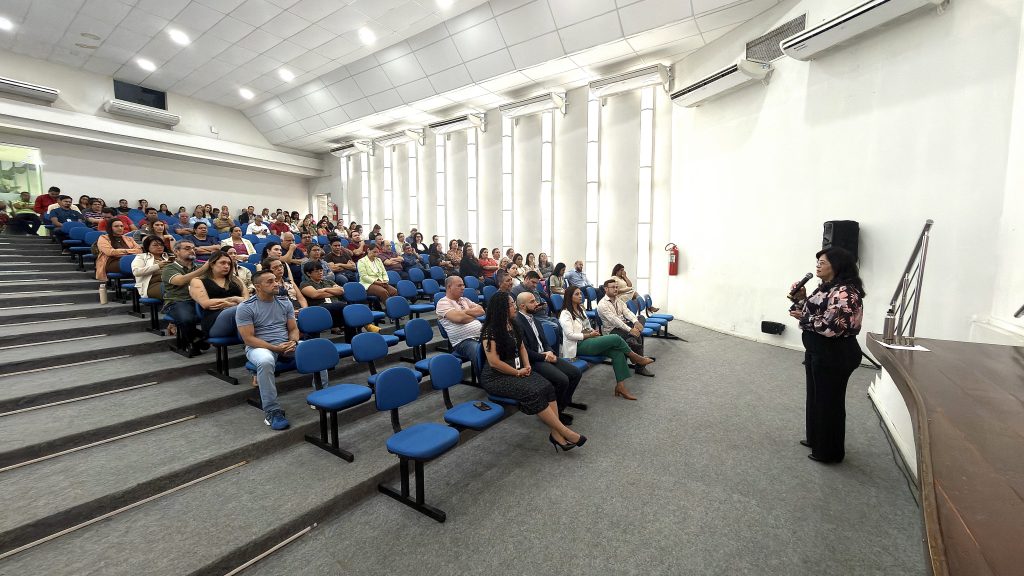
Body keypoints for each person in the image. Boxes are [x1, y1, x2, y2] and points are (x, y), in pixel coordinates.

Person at [479, 292, 586, 451]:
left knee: (547, 387)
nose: (514, 307)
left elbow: (522, 347)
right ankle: (563, 432)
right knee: (534, 392)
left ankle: (555, 434)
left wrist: (527, 365)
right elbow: (494, 362)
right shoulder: (490, 331)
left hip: (518, 368)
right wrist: (517, 372)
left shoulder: (512, 324)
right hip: (497, 376)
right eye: (511, 304)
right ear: (501, 308)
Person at [789, 246, 865, 465]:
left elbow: (832, 327)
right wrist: (801, 299)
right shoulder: (826, 288)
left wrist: (804, 317)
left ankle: (829, 452)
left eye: (822, 263)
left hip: (836, 354)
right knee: (816, 397)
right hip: (818, 350)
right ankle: (816, 439)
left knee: (829, 402)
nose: (818, 266)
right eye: (818, 262)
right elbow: (812, 313)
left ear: (837, 266)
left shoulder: (845, 292)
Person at [237, 269, 308, 430]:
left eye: (275, 280)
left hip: (285, 343)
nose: (276, 284)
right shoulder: (246, 307)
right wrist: (275, 348)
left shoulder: (285, 302)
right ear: (258, 287)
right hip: (260, 346)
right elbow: (248, 339)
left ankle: (322, 394)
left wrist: (293, 342)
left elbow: (293, 329)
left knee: (314, 349)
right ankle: (272, 411)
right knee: (266, 360)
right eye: (270, 281)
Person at [560, 286, 654, 400]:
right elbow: (569, 335)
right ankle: (635, 357)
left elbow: (587, 327)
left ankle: (620, 386)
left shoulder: (580, 310)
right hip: (577, 345)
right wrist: (588, 335)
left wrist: (592, 332)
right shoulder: (565, 313)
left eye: (580, 293)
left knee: (617, 353)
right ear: (569, 297)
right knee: (615, 338)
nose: (580, 296)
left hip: (589, 340)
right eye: (577, 294)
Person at [514, 291, 582, 425]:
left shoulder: (535, 320)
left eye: (535, 300)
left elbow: (545, 342)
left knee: (575, 373)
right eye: (532, 302)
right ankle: (554, 414)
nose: (536, 304)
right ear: (522, 306)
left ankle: (561, 405)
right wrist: (544, 357)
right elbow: (525, 351)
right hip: (533, 361)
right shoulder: (517, 323)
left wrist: (550, 352)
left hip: (545, 356)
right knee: (562, 380)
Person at [161, 241, 209, 356]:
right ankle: (199, 338)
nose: (192, 251)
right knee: (187, 319)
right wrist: (204, 269)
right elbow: (180, 280)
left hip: (198, 299)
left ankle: (199, 339)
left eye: (193, 248)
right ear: (176, 251)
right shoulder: (169, 268)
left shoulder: (198, 266)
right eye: (187, 248)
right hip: (177, 301)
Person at [597, 279, 652, 377]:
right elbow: (614, 320)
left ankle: (632, 341)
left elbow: (627, 312)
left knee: (641, 318)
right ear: (606, 289)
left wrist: (635, 322)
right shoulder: (602, 304)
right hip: (612, 330)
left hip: (624, 325)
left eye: (616, 287)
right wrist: (630, 330)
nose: (616, 289)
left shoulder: (618, 300)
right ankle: (640, 367)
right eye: (613, 287)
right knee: (636, 335)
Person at [435, 276, 485, 376]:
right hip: (462, 342)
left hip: (479, 336)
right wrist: (472, 314)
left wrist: (464, 312)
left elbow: (481, 310)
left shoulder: (464, 300)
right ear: (449, 287)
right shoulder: (443, 302)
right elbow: (459, 318)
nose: (463, 288)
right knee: (480, 351)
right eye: (459, 285)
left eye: (463, 285)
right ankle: (485, 380)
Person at [189, 250, 247, 337]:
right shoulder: (198, 281)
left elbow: (248, 300)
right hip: (215, 321)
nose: (227, 266)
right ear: (212, 264)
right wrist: (236, 302)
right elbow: (206, 303)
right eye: (222, 263)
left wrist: (231, 302)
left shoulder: (236, 279)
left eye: (229, 264)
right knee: (239, 310)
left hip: (240, 319)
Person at [299, 260, 347, 329]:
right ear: (308, 273)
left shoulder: (329, 281)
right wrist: (334, 292)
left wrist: (325, 289)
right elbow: (315, 295)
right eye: (316, 271)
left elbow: (341, 291)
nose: (320, 273)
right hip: (320, 307)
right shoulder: (305, 284)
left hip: (335, 306)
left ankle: (351, 334)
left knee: (348, 314)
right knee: (341, 305)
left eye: (321, 270)